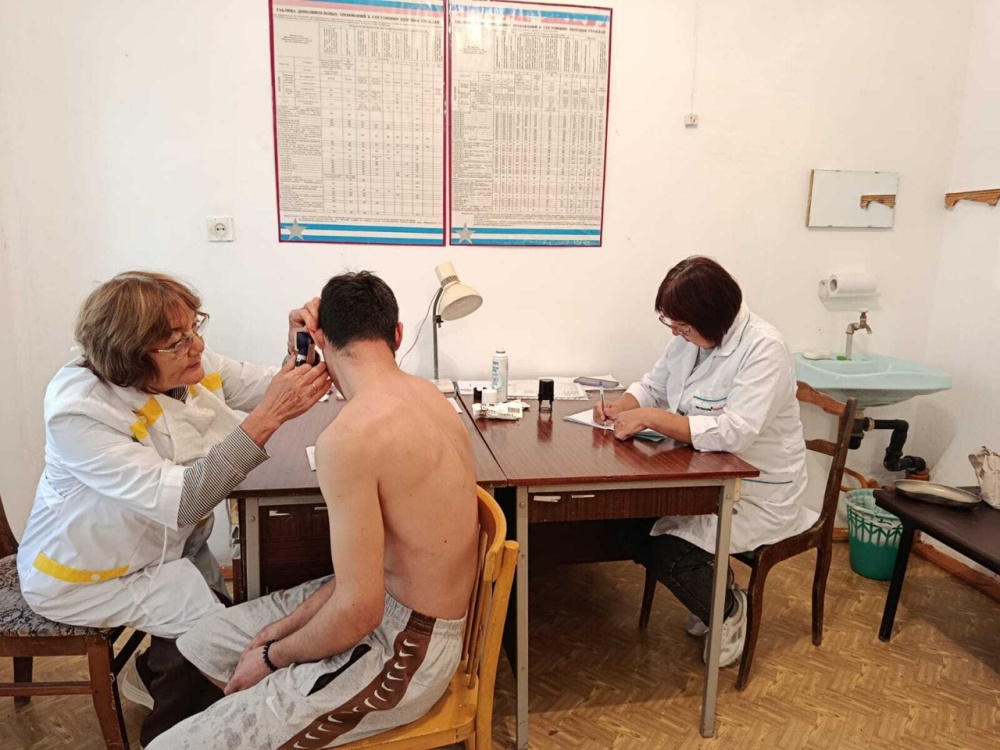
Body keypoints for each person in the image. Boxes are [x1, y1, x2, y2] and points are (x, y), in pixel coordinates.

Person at [148, 271, 479, 749]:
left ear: (319, 341)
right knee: (203, 642)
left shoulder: (349, 438)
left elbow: (358, 611)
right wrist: (279, 633)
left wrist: (272, 656)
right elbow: (364, 588)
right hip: (391, 609)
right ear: (398, 333)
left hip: (406, 651)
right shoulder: (431, 396)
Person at [15, 271, 332, 737]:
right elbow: (186, 499)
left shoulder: (185, 364)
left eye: (194, 329)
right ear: (129, 356)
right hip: (89, 575)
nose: (197, 346)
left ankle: (158, 674)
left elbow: (269, 388)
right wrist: (268, 418)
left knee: (220, 625)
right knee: (214, 642)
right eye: (177, 341)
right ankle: (173, 734)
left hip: (164, 550)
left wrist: (299, 354)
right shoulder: (80, 411)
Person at [594, 256, 809, 667]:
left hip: (757, 490)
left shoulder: (764, 349)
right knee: (628, 522)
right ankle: (710, 585)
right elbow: (654, 384)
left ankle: (727, 609)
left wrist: (652, 418)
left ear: (713, 316)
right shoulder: (690, 338)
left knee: (667, 550)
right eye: (671, 324)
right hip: (700, 474)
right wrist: (624, 405)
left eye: (682, 325)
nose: (676, 333)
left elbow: (735, 432)